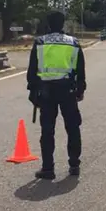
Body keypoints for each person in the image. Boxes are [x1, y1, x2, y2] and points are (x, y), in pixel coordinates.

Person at [27, 11, 86, 180]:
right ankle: (74, 165)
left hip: (46, 92)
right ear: (63, 24)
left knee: (47, 131)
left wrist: (32, 92)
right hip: (68, 90)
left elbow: (32, 70)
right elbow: (80, 70)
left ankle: (48, 168)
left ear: (48, 24)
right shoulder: (73, 43)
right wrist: (80, 90)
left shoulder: (40, 42)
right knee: (73, 128)